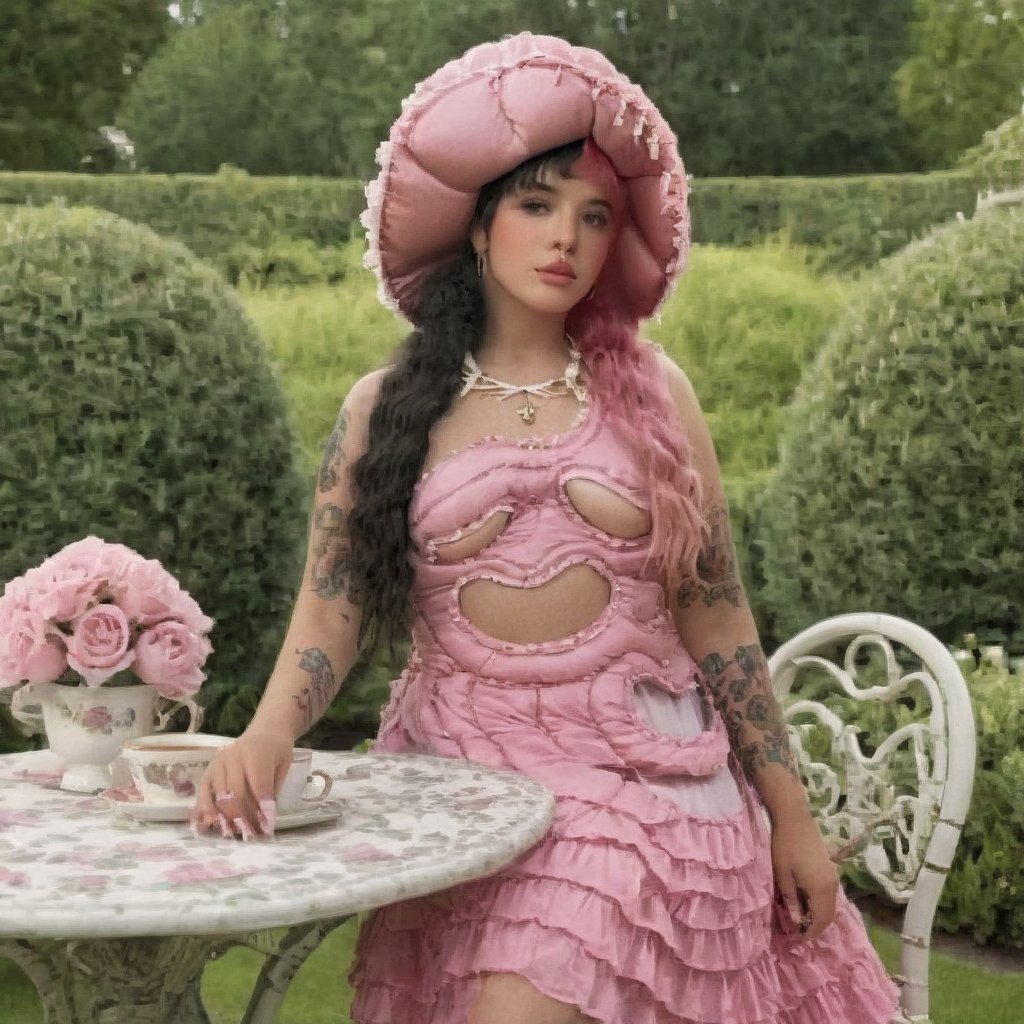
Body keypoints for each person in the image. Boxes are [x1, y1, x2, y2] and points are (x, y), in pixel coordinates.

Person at [192, 33, 902, 1024]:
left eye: (595, 216)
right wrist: (268, 731)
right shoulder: (383, 406)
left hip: (637, 773)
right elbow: (335, 602)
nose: (567, 237)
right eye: (537, 205)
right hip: (463, 776)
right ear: (480, 227)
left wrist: (791, 812)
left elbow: (716, 614)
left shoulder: (657, 395)